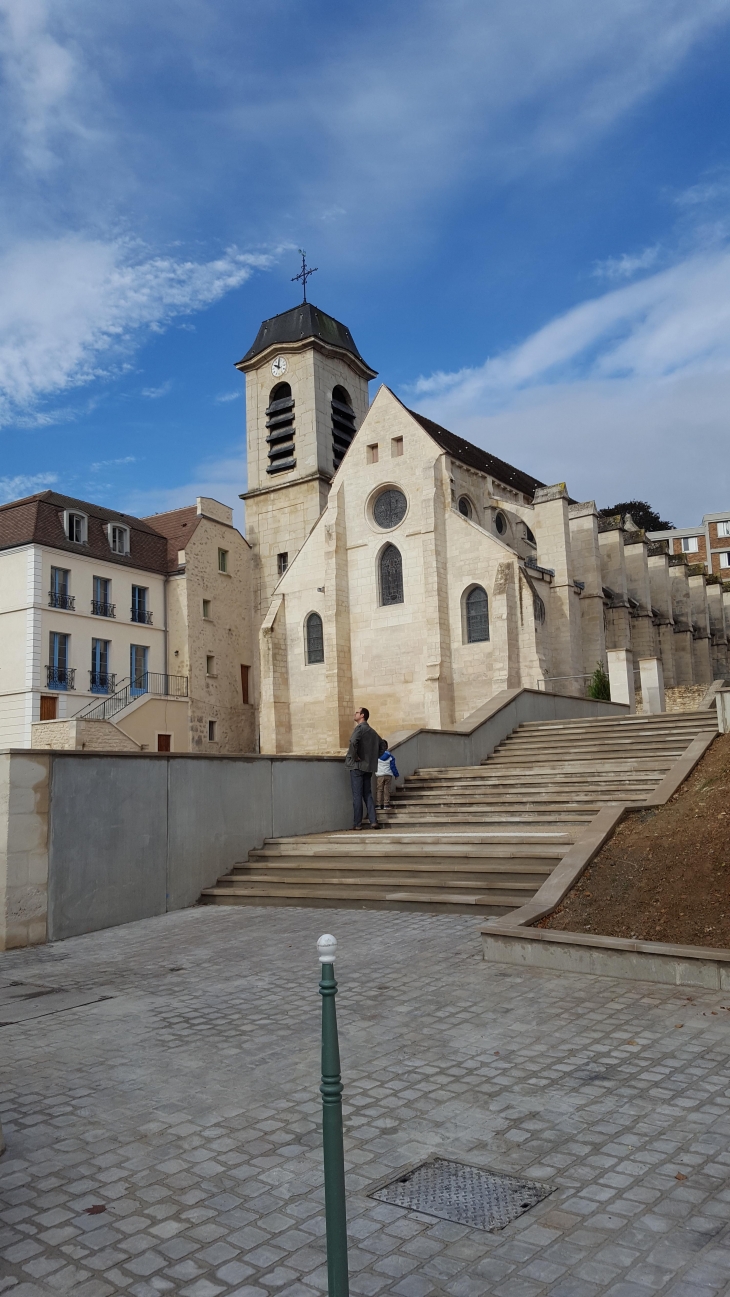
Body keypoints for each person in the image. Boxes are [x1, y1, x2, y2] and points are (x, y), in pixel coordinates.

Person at [345, 707, 387, 830]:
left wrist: (355, 756)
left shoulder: (359, 729)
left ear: (362, 715)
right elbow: (383, 745)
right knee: (367, 794)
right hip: (368, 767)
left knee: (357, 795)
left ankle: (357, 824)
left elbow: (353, 742)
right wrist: (373, 758)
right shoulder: (372, 731)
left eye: (357, 712)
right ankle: (373, 821)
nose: (354, 714)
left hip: (357, 766)